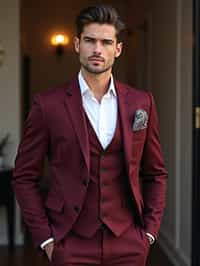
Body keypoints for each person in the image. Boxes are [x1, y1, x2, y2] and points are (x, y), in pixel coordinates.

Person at [13, 4, 167, 266]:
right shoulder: (47, 105)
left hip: (128, 243)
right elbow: (24, 176)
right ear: (76, 44)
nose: (97, 49)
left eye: (106, 42)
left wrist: (149, 233)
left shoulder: (142, 103)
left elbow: (155, 173)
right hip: (70, 243)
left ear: (118, 49)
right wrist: (46, 240)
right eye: (90, 40)